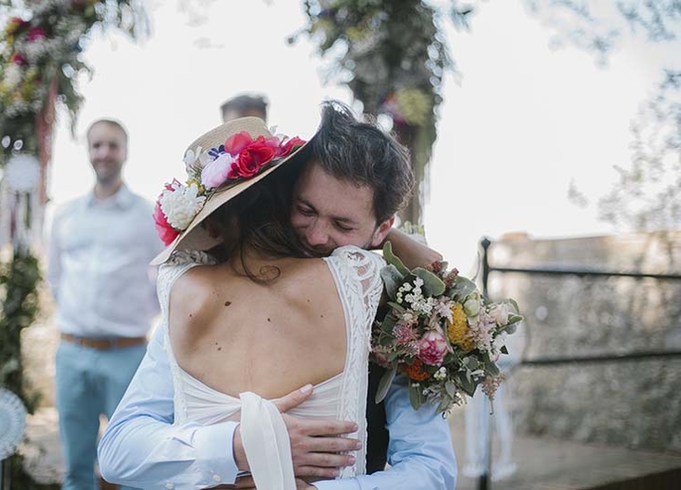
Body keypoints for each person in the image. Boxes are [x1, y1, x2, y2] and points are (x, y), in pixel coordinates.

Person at [98, 102, 457, 489]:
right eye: (305, 210)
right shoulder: (201, 297)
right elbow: (120, 449)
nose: (316, 236)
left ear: (381, 229)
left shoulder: (394, 309)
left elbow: (431, 468)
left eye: (342, 224)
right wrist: (238, 447)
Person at [47, 118, 164, 490]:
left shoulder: (148, 215)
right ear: (88, 151)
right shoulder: (65, 216)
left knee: (131, 469)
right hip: (72, 353)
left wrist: (137, 315)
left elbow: (163, 280)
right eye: (97, 145)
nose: (105, 153)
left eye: (113, 145)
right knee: (75, 471)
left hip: (128, 356)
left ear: (125, 152)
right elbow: (55, 278)